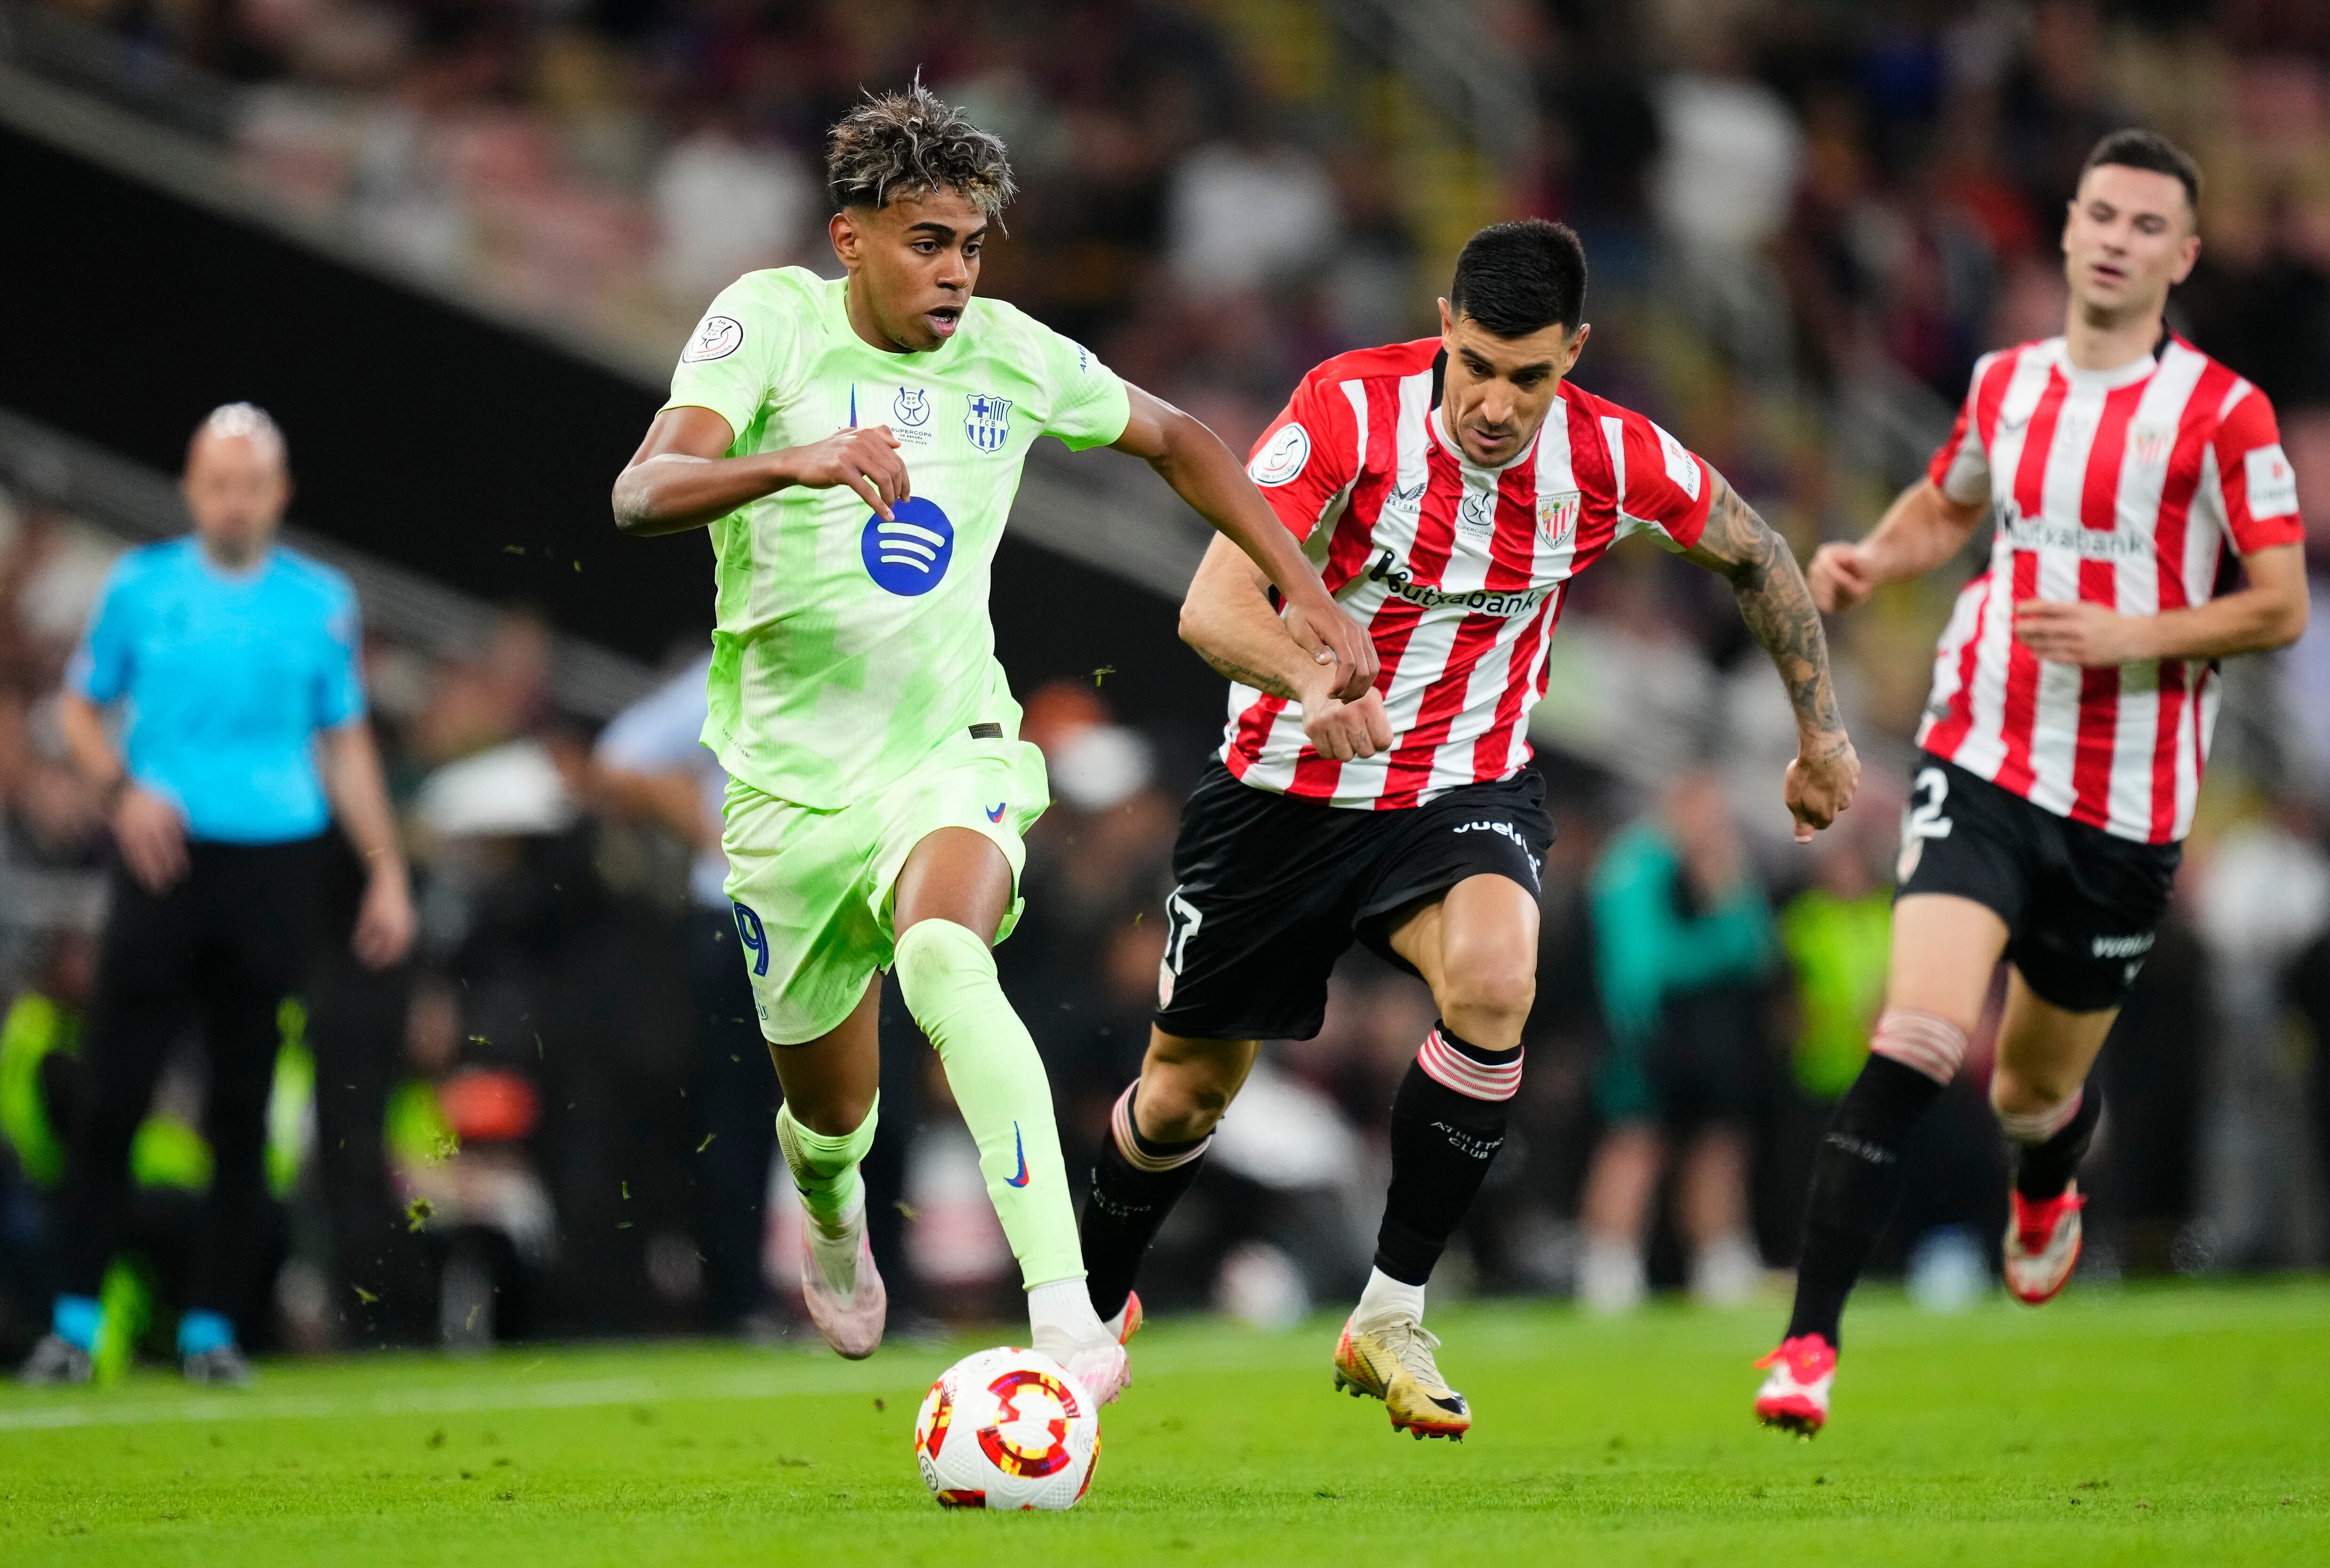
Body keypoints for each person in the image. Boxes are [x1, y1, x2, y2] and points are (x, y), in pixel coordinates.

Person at [608, 83, 1373, 1410]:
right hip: (788, 788)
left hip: (948, 750)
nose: (956, 272)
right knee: (831, 1117)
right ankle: (835, 1212)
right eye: (926, 242)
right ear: (851, 238)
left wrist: (1298, 585)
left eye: (970, 244)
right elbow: (641, 491)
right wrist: (791, 462)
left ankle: (1066, 1313)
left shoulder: (1009, 354)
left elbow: (1183, 440)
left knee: (946, 950)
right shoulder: (767, 320)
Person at [1074, 218, 1859, 1440]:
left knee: (1498, 980)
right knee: (1182, 1096)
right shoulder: (1346, 414)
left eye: (1528, 375)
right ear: (1444, 325)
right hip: (1283, 792)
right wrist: (1314, 681)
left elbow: (1757, 557)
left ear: (1574, 355)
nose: (1495, 402)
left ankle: (1390, 1309)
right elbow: (1213, 606)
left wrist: (1823, 735)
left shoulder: (1612, 456)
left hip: (1460, 786)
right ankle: (1086, 1313)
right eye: (1477, 364)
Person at [1754, 129, 2311, 1436]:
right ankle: (1807, 1342)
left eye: (2144, 224)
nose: (2115, 239)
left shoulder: (2224, 413)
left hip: (2126, 808)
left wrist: (2135, 635)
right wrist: (1874, 560)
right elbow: (1951, 504)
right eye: (2098, 215)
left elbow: (2279, 605)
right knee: (1921, 1032)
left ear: (2180, 254)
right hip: (1984, 755)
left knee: (2028, 1088)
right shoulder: (2007, 382)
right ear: (2066, 230)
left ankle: (2048, 1170)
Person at [19, 404, 415, 1385]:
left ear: (278, 495)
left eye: (251, 484)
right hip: (166, 859)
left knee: (244, 1108)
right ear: (192, 490)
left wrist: (385, 867)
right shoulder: (141, 587)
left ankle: (214, 1330)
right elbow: (76, 704)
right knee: (115, 1092)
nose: (234, 502)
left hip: (276, 864)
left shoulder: (322, 600)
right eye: (217, 483)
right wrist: (121, 789)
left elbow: (348, 740)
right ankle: (70, 1324)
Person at [593, 651, 780, 1331]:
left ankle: (884, 1295)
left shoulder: (869, 644)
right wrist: (712, 830)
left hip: (845, 919)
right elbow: (621, 756)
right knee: (737, 1121)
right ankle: (739, 1303)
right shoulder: (741, 659)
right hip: (741, 923)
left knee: (875, 1111)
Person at [1578, 769, 1779, 1315]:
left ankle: (1721, 1265)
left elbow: (1758, 950)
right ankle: (1607, 1272)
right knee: (1634, 1146)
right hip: (1642, 1031)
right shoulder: (1632, 867)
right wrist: (1718, 937)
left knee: (1718, 1148)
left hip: (1713, 1035)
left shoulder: (1722, 867)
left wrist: (1727, 896)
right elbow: (1646, 964)